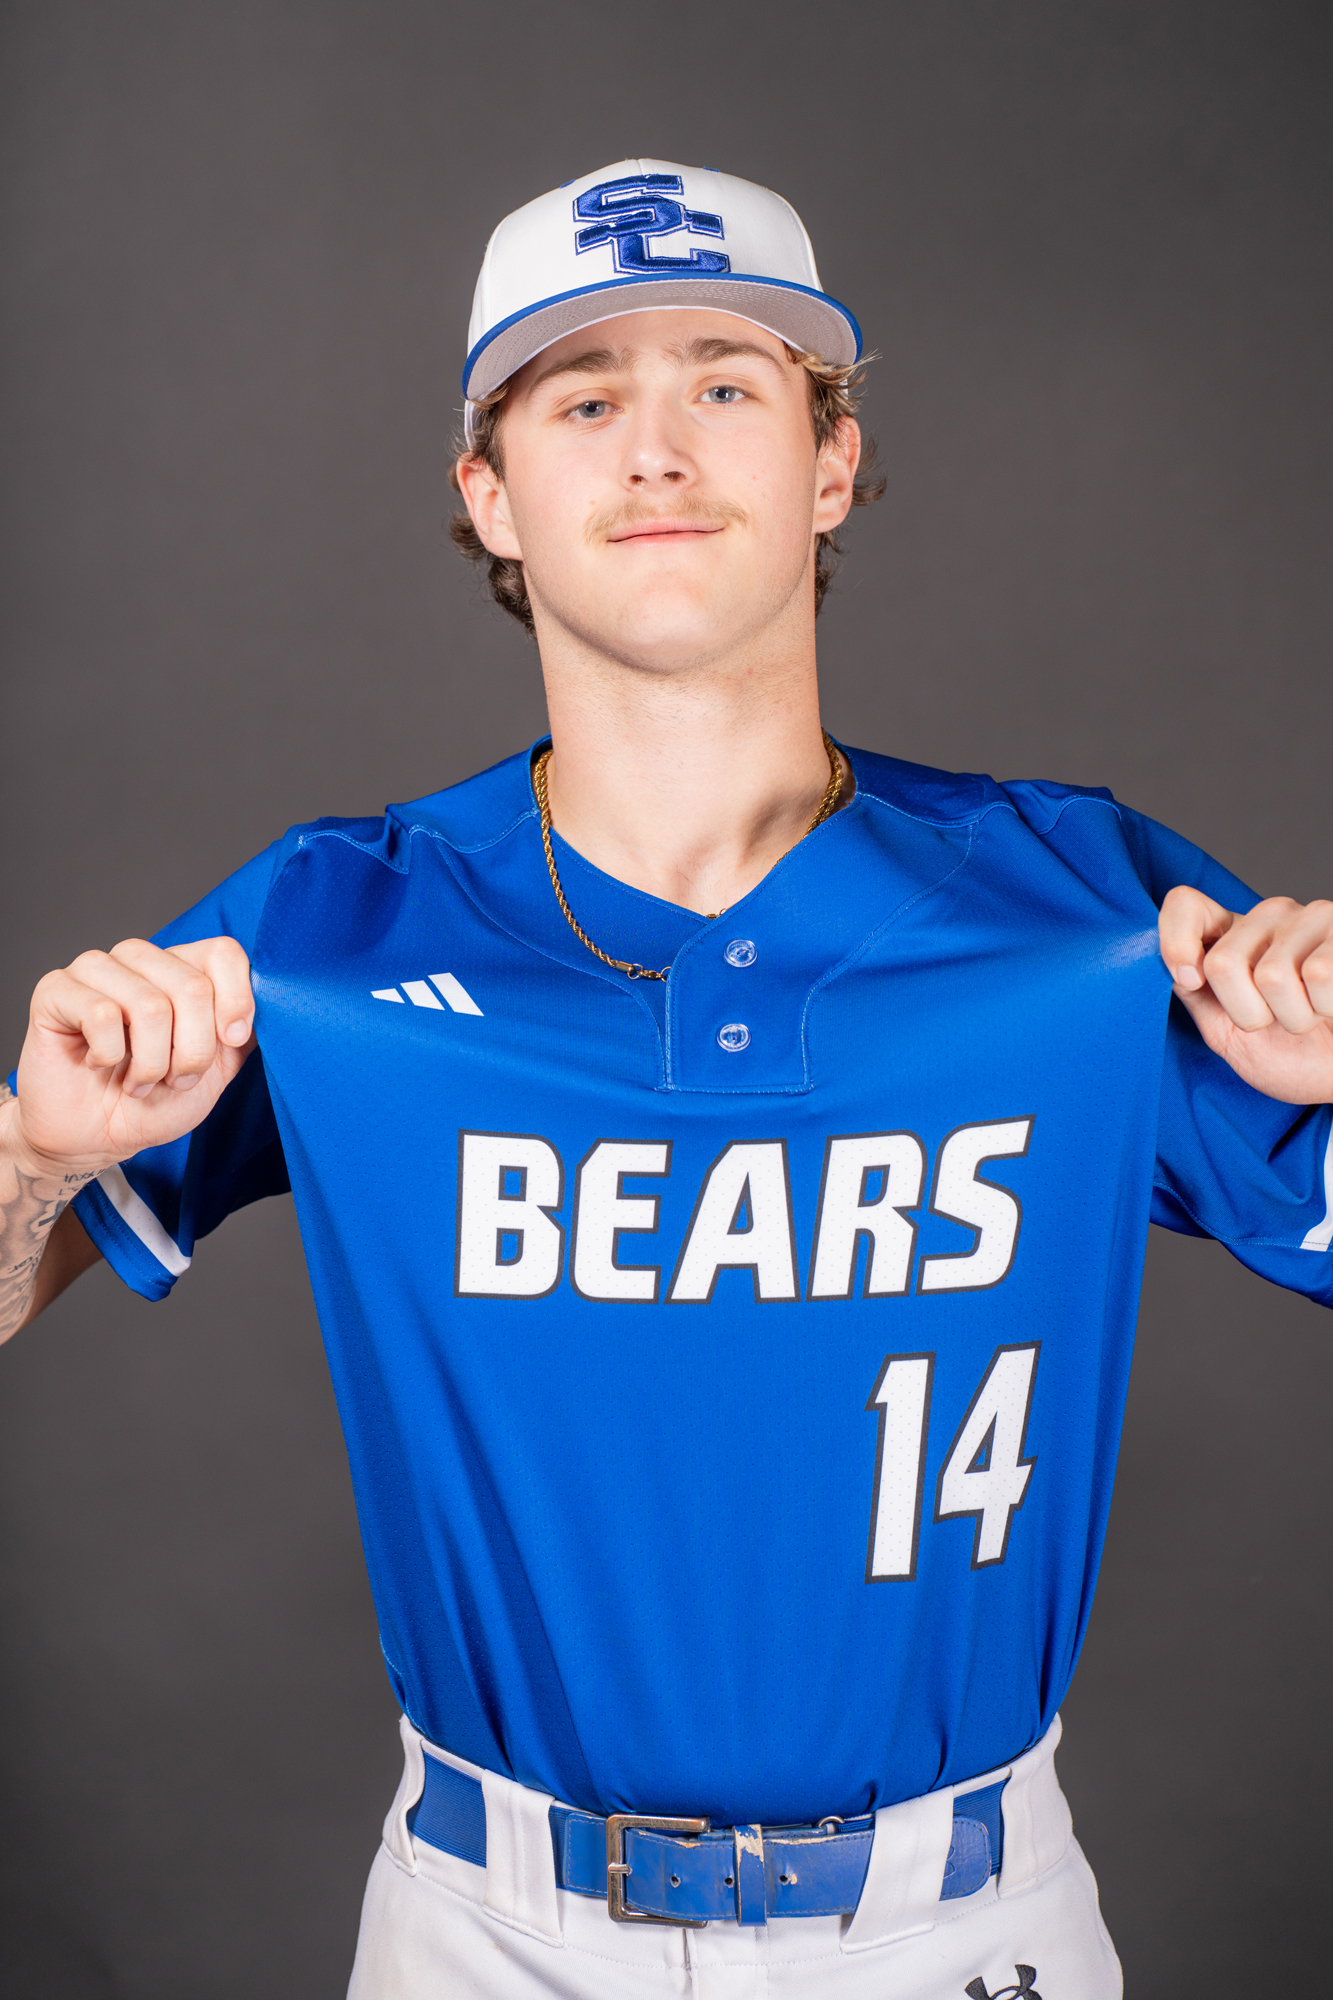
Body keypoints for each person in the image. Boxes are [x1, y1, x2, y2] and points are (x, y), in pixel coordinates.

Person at [2, 158, 1330, 2000]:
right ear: (490, 496)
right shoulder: (331, 929)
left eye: (723, 381)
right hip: (485, 1931)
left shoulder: (1082, 909)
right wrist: (38, 1155)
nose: (655, 450)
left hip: (959, 1926)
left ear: (830, 463)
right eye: (581, 399)